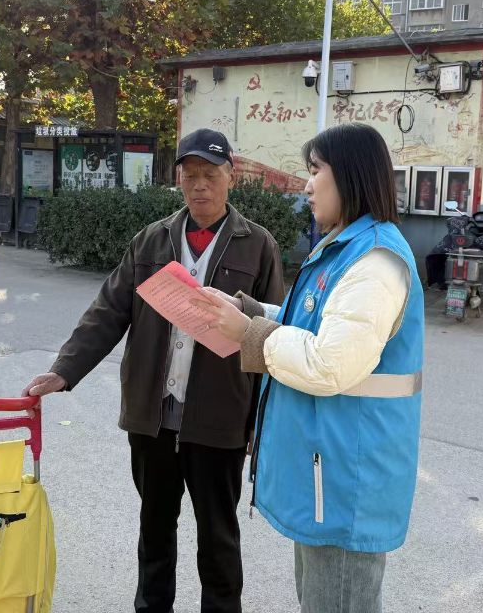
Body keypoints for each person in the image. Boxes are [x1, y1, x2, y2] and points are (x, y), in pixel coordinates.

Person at [22, 128, 284, 613]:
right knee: (154, 530)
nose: (199, 185)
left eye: (210, 175)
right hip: (152, 418)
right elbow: (108, 310)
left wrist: (259, 426)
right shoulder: (151, 240)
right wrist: (65, 369)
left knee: (218, 538)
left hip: (220, 420)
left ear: (231, 177)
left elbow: (272, 337)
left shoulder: (257, 246)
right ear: (178, 179)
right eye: (190, 175)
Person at [194, 123, 423, 613]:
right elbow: (312, 323)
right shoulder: (346, 248)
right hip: (333, 470)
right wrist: (249, 311)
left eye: (316, 170)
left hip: (347, 481)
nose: (306, 184)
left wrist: (249, 333)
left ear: (351, 175)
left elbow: (328, 363)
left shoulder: (375, 263)